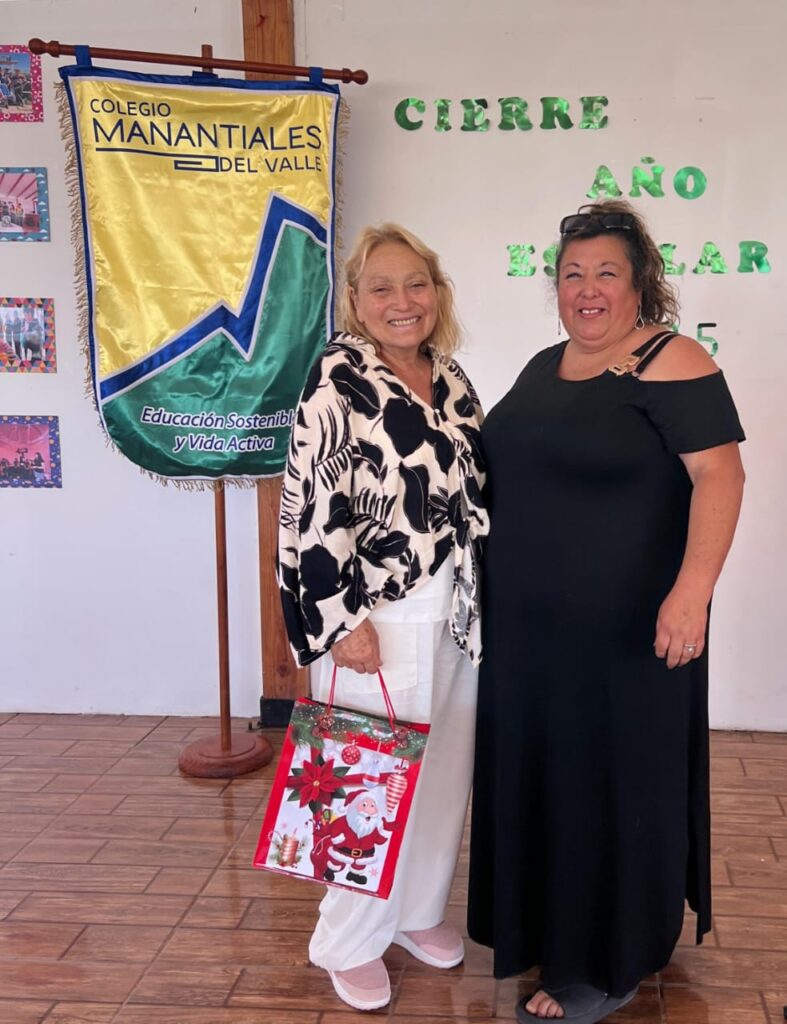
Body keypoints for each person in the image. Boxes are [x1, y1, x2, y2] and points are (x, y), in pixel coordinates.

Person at [467, 199, 745, 1024]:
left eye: (605, 274)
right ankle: (550, 931)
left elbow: (720, 477)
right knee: (552, 779)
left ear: (638, 283)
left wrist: (692, 592)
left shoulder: (672, 358)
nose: (586, 289)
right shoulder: (541, 365)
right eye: (571, 274)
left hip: (626, 632)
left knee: (616, 786)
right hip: (528, 635)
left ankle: (610, 960)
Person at [278, 223, 489, 1011]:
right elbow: (310, 508)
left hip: (457, 609)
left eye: (416, 284)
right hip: (376, 614)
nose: (402, 302)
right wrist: (339, 620)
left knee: (441, 774)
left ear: (437, 293)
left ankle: (413, 912)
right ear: (356, 302)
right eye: (382, 288)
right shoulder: (337, 379)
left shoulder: (449, 375)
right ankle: (346, 940)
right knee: (362, 777)